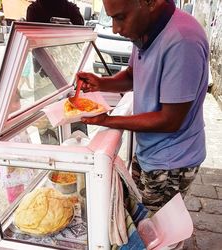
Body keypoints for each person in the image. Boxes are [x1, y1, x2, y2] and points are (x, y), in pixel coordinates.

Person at [78, 0, 209, 213]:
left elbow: (170, 120)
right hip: (150, 150)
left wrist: (107, 120)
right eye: (111, 18)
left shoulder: (183, 41)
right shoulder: (146, 29)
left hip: (172, 161)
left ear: (149, 2)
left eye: (120, 17)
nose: (116, 29)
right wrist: (101, 83)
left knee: (158, 229)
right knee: (143, 214)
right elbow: (132, 75)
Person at [26, 0, 87, 137]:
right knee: (67, 128)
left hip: (64, 78)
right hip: (54, 78)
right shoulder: (70, 9)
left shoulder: (35, 10)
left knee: (63, 126)